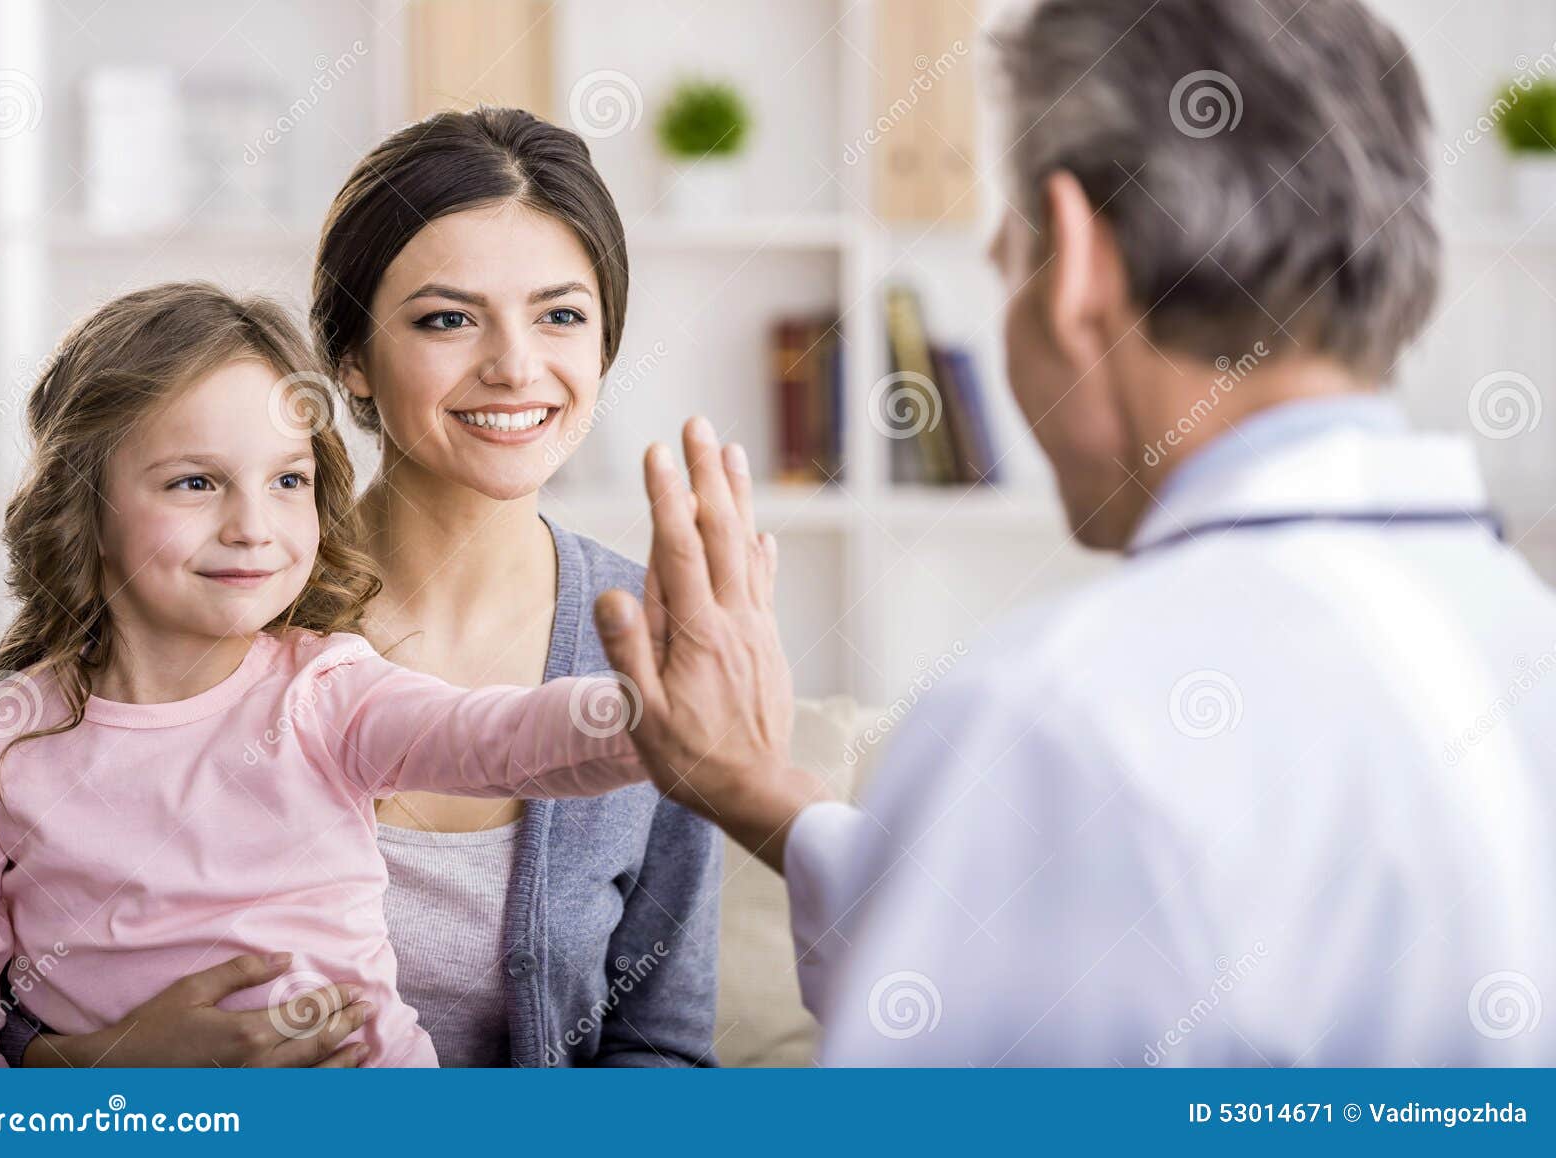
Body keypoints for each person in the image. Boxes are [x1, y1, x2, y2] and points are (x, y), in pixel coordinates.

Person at [591, 0, 1556, 1065]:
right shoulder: (1510, 636)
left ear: (1081, 268)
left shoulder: (1058, 717)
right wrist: (755, 788)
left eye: (1007, 261)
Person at [1, 108, 721, 1069]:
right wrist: (95, 1066)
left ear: (603, 345)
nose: (514, 365)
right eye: (447, 319)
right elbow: (14, 969)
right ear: (350, 364)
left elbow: (660, 1050)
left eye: (560, 314)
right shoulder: (219, 582)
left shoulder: (658, 641)